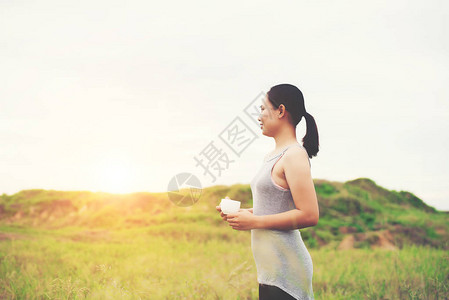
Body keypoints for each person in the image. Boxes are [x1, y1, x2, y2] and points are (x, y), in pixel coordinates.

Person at [216, 83, 320, 300]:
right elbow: (275, 207)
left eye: (263, 108)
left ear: (281, 111)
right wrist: (245, 213)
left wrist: (254, 222)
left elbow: (309, 214)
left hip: (287, 270)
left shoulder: (294, 155)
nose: (259, 115)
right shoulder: (273, 155)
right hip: (270, 269)